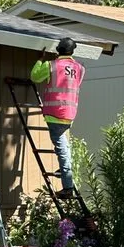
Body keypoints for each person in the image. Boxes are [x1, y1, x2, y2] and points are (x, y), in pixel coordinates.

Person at [30, 37, 85, 199]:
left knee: (61, 148)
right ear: (72, 51)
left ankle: (67, 186)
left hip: (54, 112)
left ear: (58, 50)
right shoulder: (80, 68)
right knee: (63, 145)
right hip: (70, 113)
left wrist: (40, 60)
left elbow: (35, 77)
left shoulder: (52, 65)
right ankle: (64, 168)